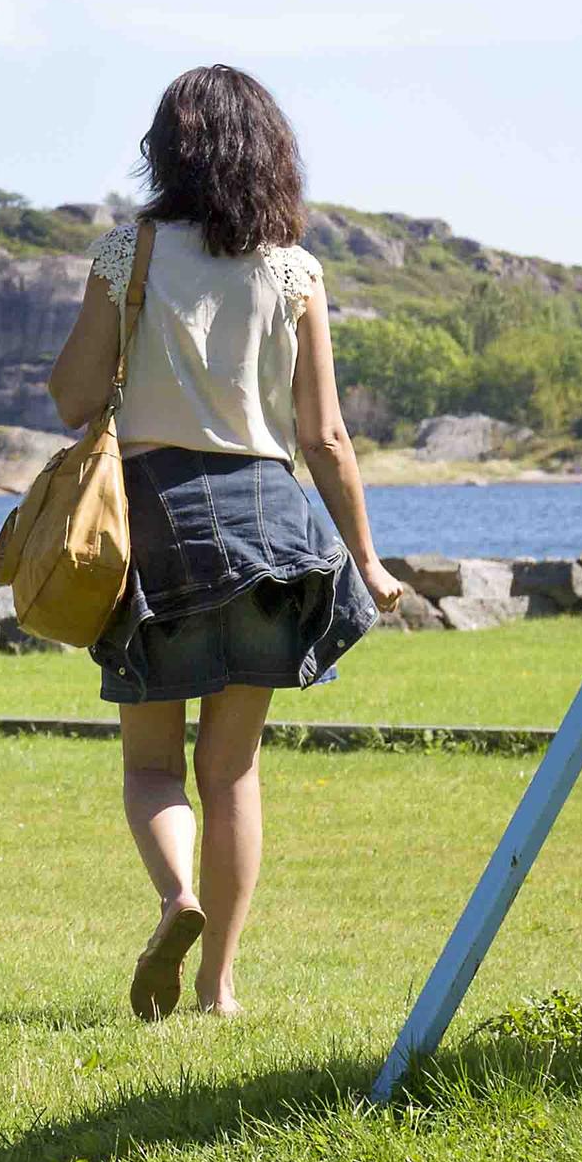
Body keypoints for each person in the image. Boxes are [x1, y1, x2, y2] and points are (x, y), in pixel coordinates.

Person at [44, 65, 404, 1020]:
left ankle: (177, 898)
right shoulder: (293, 269)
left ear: (169, 148)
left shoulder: (132, 252)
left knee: (153, 762)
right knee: (233, 768)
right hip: (271, 525)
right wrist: (366, 559)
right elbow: (325, 434)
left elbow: (76, 398)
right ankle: (220, 989)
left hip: (157, 521)